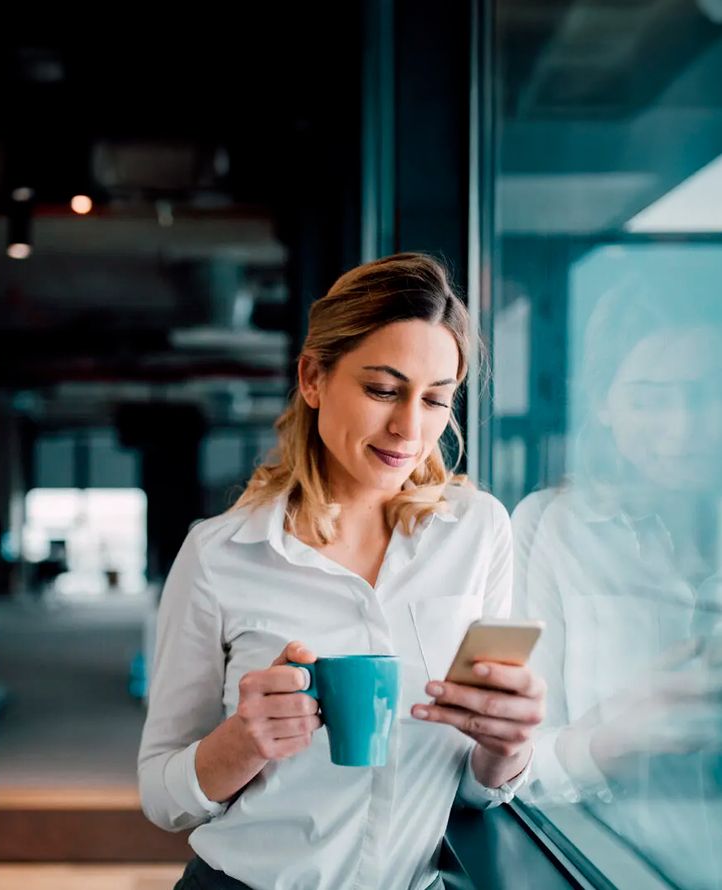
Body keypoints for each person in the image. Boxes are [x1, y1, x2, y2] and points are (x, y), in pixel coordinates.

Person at [138, 253, 546, 890]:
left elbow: (468, 785)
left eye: (436, 400)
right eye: (383, 390)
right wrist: (243, 742)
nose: (410, 429)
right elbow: (163, 796)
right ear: (312, 378)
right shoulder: (221, 555)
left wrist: (508, 746)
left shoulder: (478, 531)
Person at [511, 268, 722, 889]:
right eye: (650, 397)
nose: (683, 428)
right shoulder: (550, 529)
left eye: (707, 393)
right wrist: (615, 739)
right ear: (602, 402)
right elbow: (504, 767)